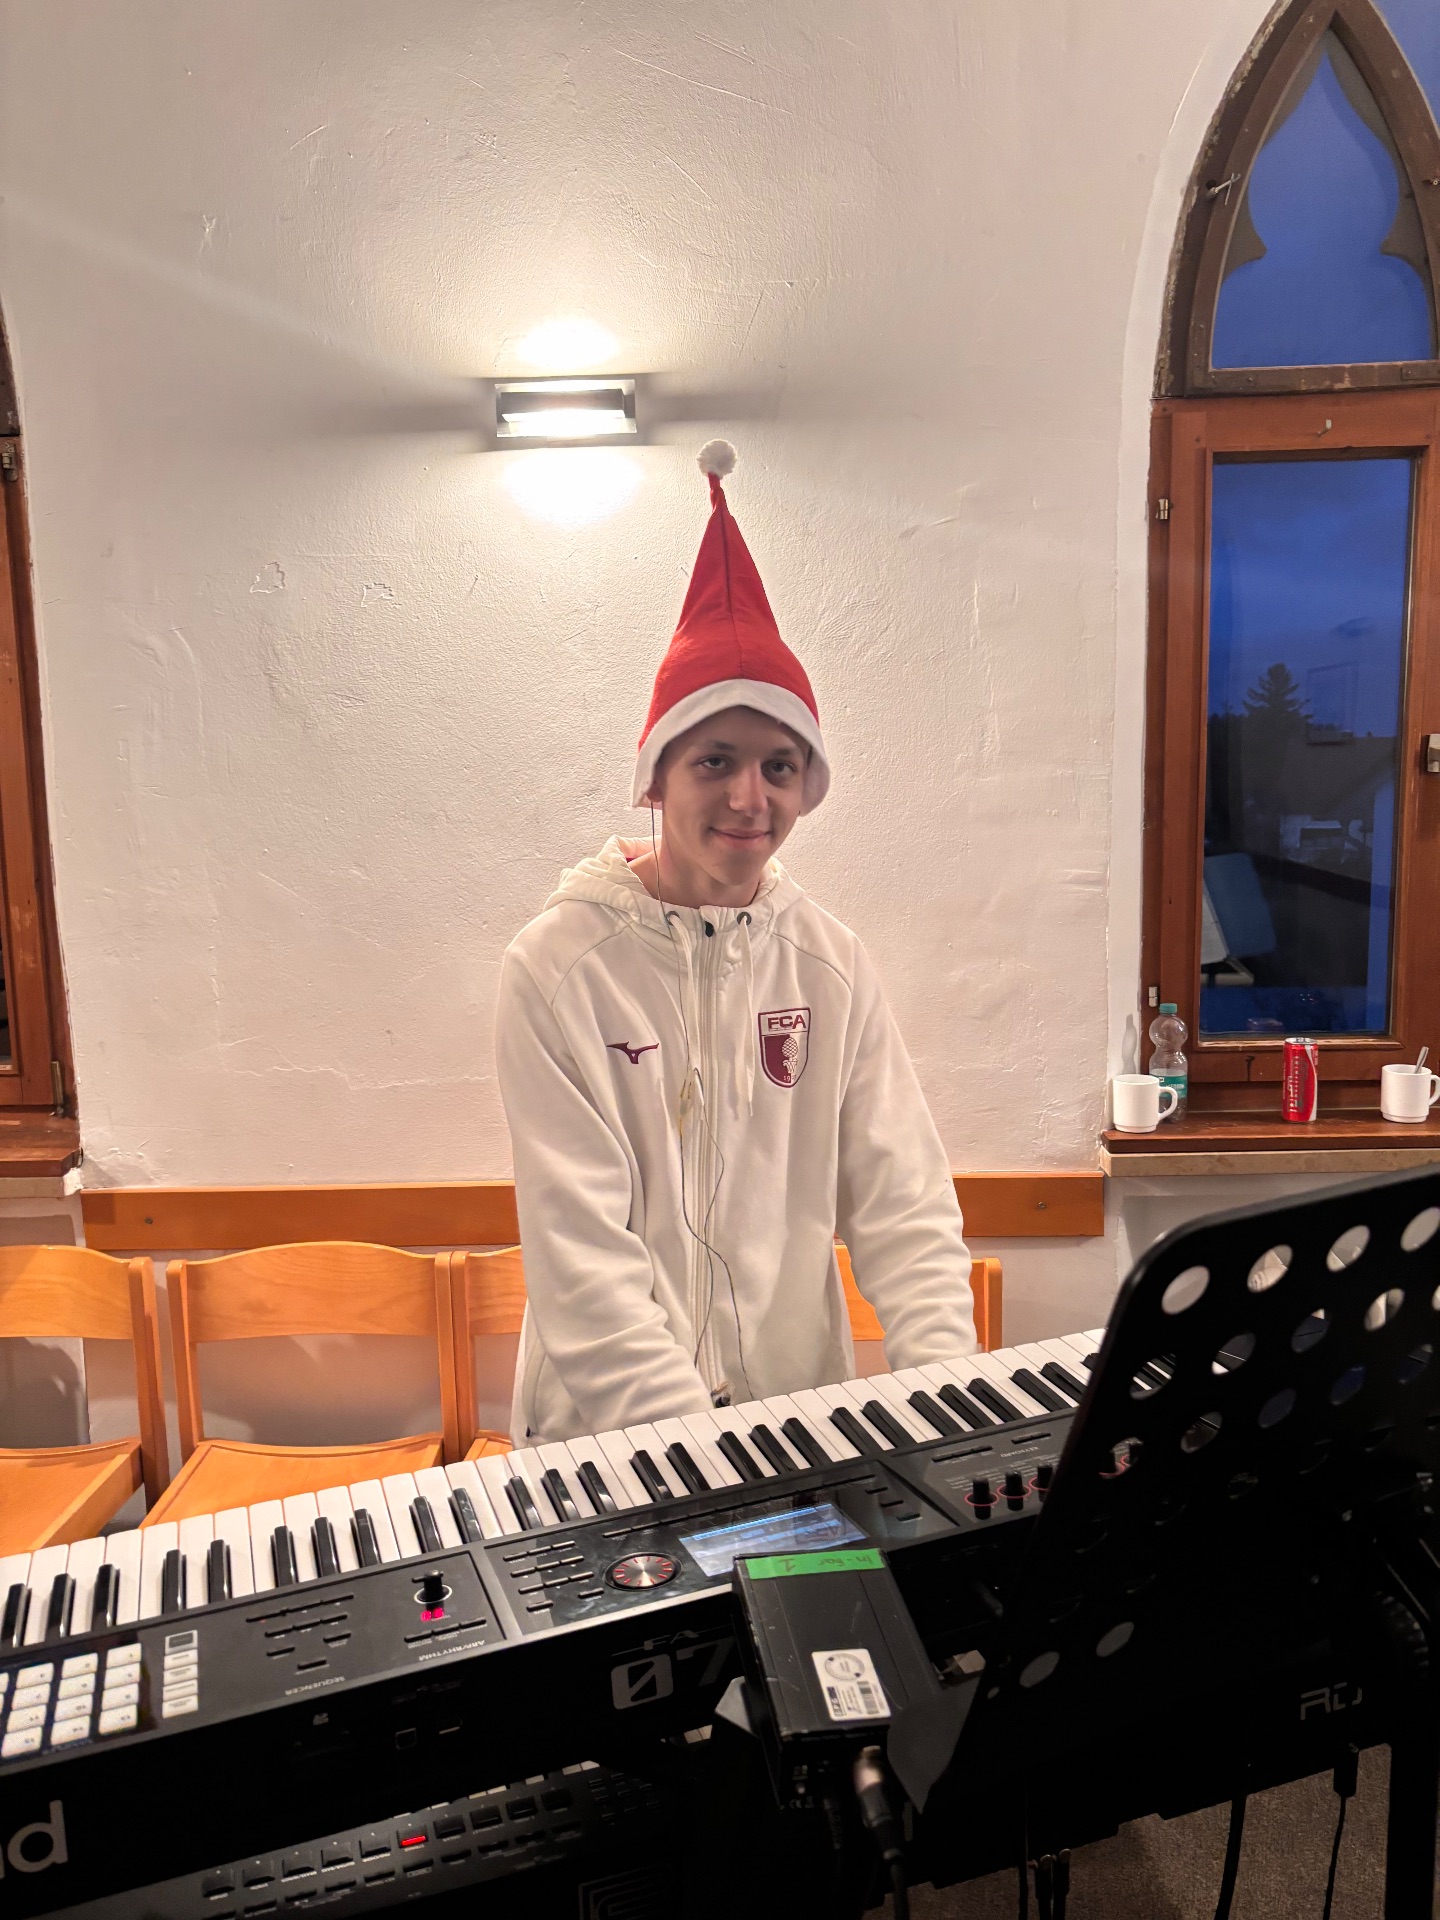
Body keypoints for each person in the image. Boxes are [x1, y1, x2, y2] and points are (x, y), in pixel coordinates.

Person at [497, 440, 975, 1445]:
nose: (750, 798)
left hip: (794, 1426)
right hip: (610, 1441)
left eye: (779, 765)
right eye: (715, 760)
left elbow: (905, 1204)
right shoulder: (556, 970)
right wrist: (698, 1455)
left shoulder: (831, 966)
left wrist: (953, 1413)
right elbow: (584, 1264)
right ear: (657, 776)